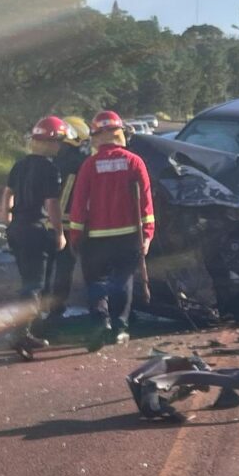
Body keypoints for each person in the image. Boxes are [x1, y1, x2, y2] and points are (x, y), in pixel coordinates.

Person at [68, 110, 154, 351]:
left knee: (96, 281)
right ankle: (119, 326)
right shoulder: (134, 162)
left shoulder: (89, 165)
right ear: (120, 134)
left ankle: (99, 322)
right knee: (122, 280)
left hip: (95, 239)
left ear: (95, 137)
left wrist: (75, 236)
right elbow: (146, 203)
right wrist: (147, 234)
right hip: (128, 237)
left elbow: (78, 205)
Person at [2, 116, 68, 300]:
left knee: (27, 279)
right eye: (58, 142)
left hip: (17, 229)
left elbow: (8, 194)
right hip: (37, 231)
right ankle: (24, 327)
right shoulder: (50, 169)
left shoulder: (19, 165)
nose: (59, 146)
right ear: (49, 142)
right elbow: (51, 203)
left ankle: (35, 323)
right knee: (35, 285)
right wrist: (59, 232)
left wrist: (7, 222)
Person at [43, 115, 91, 322]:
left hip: (43, 222)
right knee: (64, 268)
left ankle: (40, 306)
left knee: (44, 267)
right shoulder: (79, 162)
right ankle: (56, 307)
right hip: (66, 223)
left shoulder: (49, 157)